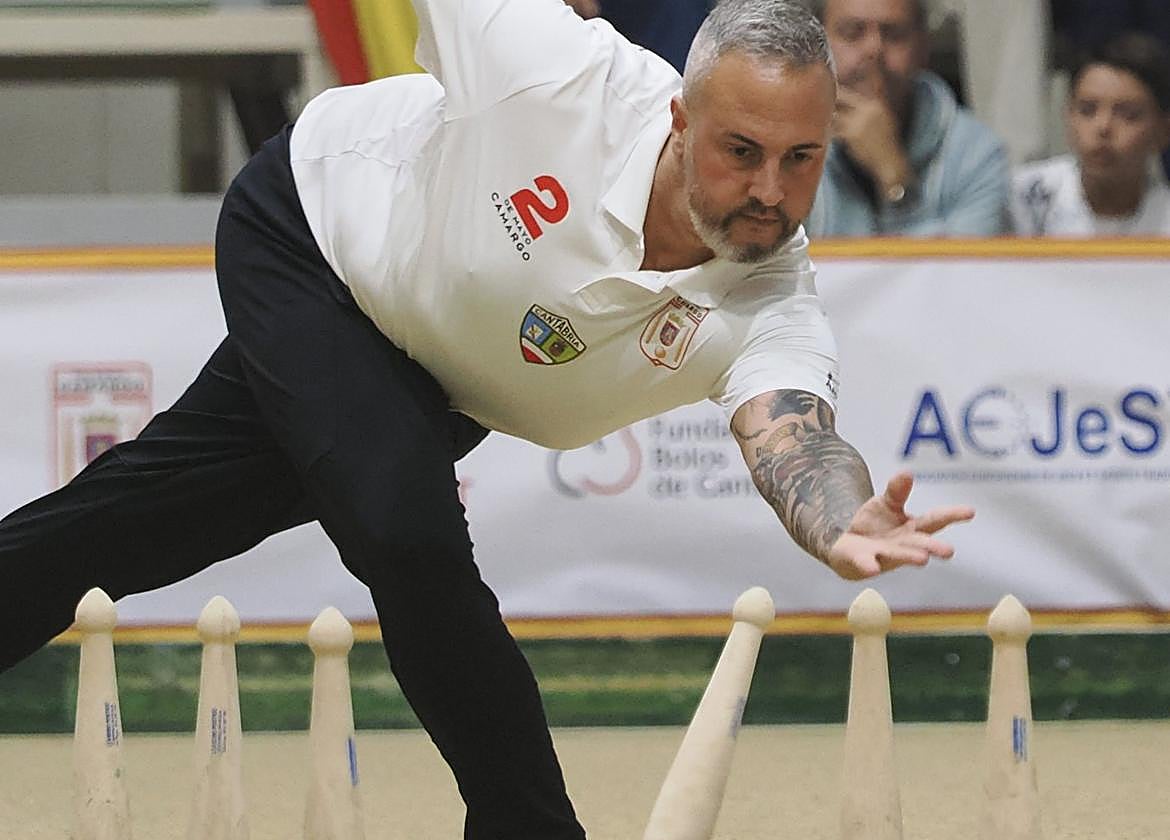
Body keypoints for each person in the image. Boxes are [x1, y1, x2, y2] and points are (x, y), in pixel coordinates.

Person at [0, 0, 974, 836]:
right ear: (681, 119)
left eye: (801, 159)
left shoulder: (776, 302)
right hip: (314, 237)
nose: (769, 192)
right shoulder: (555, 74)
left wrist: (841, 518)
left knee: (136, 521)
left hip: (437, 371)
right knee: (408, 532)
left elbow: (794, 436)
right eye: (741, 152)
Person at [803, 0, 1010, 237]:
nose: (874, 49)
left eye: (895, 35)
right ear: (813, 46)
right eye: (852, 33)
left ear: (923, 49)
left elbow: (967, 273)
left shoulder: (978, 155)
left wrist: (896, 181)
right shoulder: (778, 142)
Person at [1011, 32, 1170, 237]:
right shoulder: (1019, 200)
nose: (1103, 127)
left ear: (1163, 131)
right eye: (1087, 110)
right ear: (1068, 117)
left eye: (1128, 115)